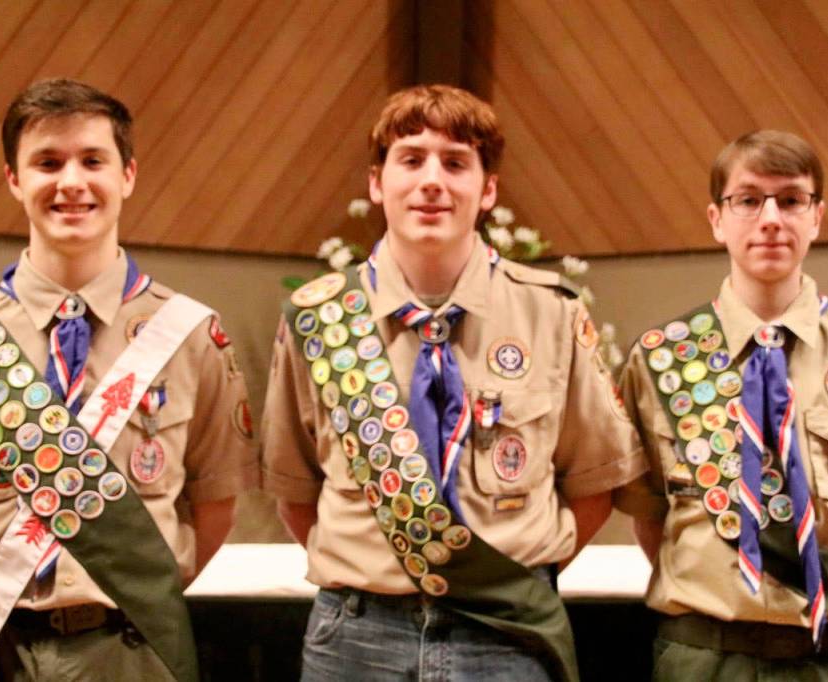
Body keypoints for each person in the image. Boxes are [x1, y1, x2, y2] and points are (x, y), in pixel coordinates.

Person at [261, 84, 645, 681]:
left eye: (456, 163)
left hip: (506, 633)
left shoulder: (552, 314)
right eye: (410, 159)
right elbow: (294, 490)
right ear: (376, 182)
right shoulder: (320, 322)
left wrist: (504, 582)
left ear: (487, 189)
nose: (432, 180)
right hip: (358, 637)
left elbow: (594, 481)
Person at [0, 78, 257, 681]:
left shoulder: (189, 338)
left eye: (92, 160)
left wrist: (136, 591)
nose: (70, 181)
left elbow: (214, 504)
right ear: (13, 180)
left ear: (127, 175)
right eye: (47, 162)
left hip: (130, 649)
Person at [615, 129, 828, 681]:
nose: (770, 218)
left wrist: (819, 597)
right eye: (748, 200)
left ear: (816, 217)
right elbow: (651, 520)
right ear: (717, 219)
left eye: (791, 200)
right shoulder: (659, 360)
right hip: (704, 659)